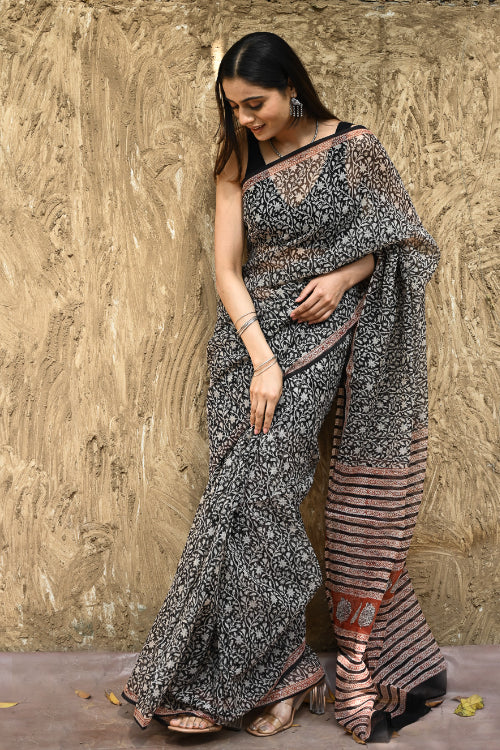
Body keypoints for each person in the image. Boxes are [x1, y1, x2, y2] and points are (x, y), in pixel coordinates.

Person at [121, 32, 447, 743]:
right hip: (247, 347)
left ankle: (261, 675)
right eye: (234, 107)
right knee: (240, 504)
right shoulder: (237, 157)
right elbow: (227, 270)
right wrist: (261, 358)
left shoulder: (355, 148)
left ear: (291, 87)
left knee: (264, 496)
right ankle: (275, 673)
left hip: (319, 337)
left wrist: (342, 276)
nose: (245, 119)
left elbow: (401, 242)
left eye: (255, 103)